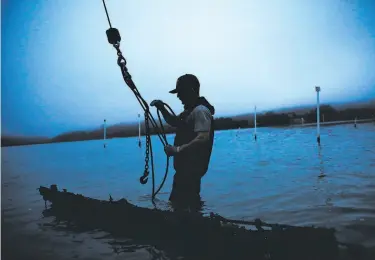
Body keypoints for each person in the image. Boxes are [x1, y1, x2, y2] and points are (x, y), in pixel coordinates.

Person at [151, 74, 215, 211]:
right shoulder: (190, 111)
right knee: (183, 205)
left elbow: (203, 138)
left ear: (191, 90)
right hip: (185, 170)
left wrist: (177, 150)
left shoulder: (200, 111)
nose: (178, 96)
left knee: (183, 205)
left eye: (180, 92)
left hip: (191, 170)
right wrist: (161, 108)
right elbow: (175, 122)